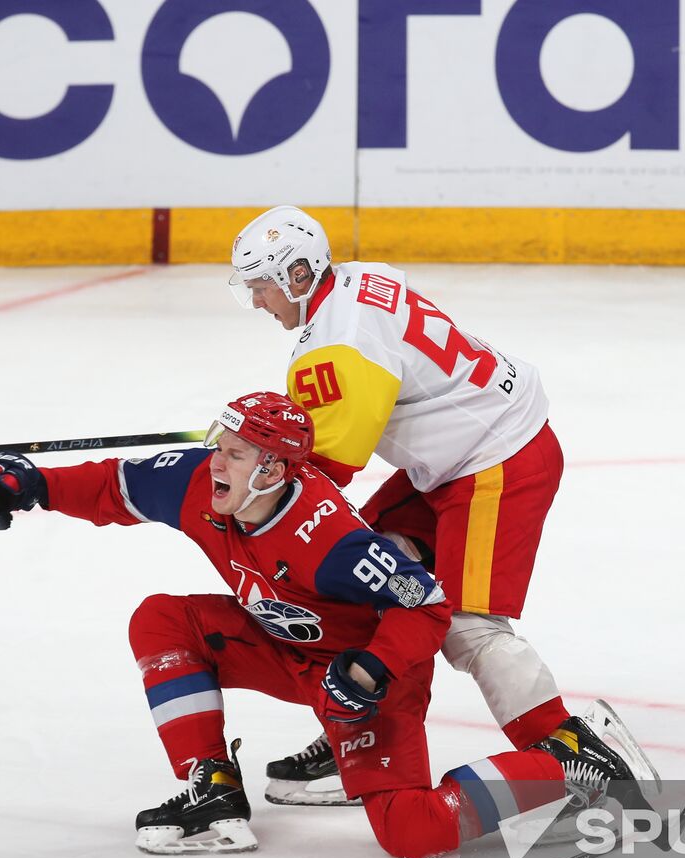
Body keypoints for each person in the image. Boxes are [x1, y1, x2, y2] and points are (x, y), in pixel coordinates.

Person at [0, 391, 652, 857]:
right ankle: (214, 794)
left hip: (364, 679)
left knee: (408, 832)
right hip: (282, 646)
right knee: (163, 621)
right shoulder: (198, 482)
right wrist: (32, 484)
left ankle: (561, 765)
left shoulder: (330, 541)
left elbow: (428, 605)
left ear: (273, 470)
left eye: (235, 452)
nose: (216, 463)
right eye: (220, 445)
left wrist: (373, 669)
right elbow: (114, 486)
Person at [229, 205, 572, 806]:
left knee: (469, 627)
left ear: (299, 276)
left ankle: (573, 756)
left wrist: (243, 456)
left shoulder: (335, 348)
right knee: (375, 576)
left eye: (261, 286)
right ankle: (366, 737)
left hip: (498, 461)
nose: (258, 302)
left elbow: (322, 475)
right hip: (457, 455)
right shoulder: (358, 276)